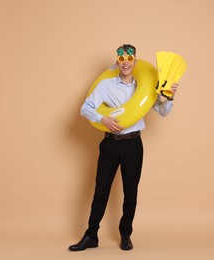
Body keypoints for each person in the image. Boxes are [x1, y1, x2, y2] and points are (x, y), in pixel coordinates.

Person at [68, 44, 178, 251]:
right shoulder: (106, 86)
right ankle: (91, 235)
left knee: (130, 191)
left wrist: (170, 96)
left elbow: (163, 111)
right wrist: (103, 119)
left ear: (135, 63)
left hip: (133, 144)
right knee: (101, 190)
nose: (126, 63)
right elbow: (85, 108)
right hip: (110, 143)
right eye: (122, 59)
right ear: (117, 62)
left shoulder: (146, 87)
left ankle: (126, 234)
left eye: (130, 60)